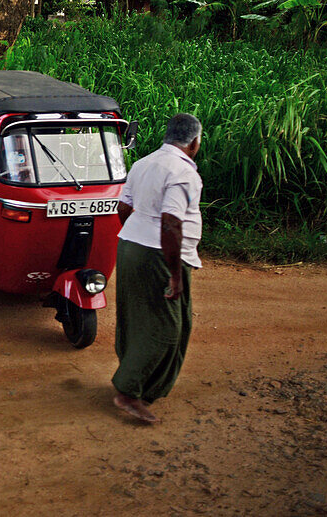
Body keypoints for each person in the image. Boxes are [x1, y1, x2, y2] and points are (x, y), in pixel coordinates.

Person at [111, 113, 203, 424]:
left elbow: (124, 208)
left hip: (130, 247)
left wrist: (137, 235)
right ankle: (127, 391)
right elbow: (171, 221)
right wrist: (175, 274)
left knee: (136, 317)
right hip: (159, 255)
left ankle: (142, 383)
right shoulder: (182, 172)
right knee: (168, 329)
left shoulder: (143, 164)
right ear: (194, 142)